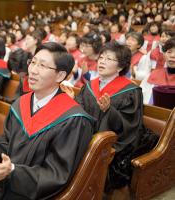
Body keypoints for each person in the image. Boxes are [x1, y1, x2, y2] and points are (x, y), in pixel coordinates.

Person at [0, 42, 94, 199]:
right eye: (33, 62)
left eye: (42, 66)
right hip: (4, 181)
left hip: (30, 193)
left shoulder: (73, 119)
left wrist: (13, 171)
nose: (33, 70)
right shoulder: (21, 103)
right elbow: (6, 144)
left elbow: (56, 174)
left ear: (60, 76)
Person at [69, 42, 144, 192]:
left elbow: (129, 125)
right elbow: (80, 113)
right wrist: (70, 100)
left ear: (121, 66)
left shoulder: (131, 91)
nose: (102, 61)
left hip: (111, 144)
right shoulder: (90, 85)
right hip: (86, 137)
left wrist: (110, 111)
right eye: (101, 57)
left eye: (109, 59)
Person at [141, 37, 175, 104]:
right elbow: (142, 98)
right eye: (169, 52)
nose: (172, 55)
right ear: (164, 55)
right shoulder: (153, 74)